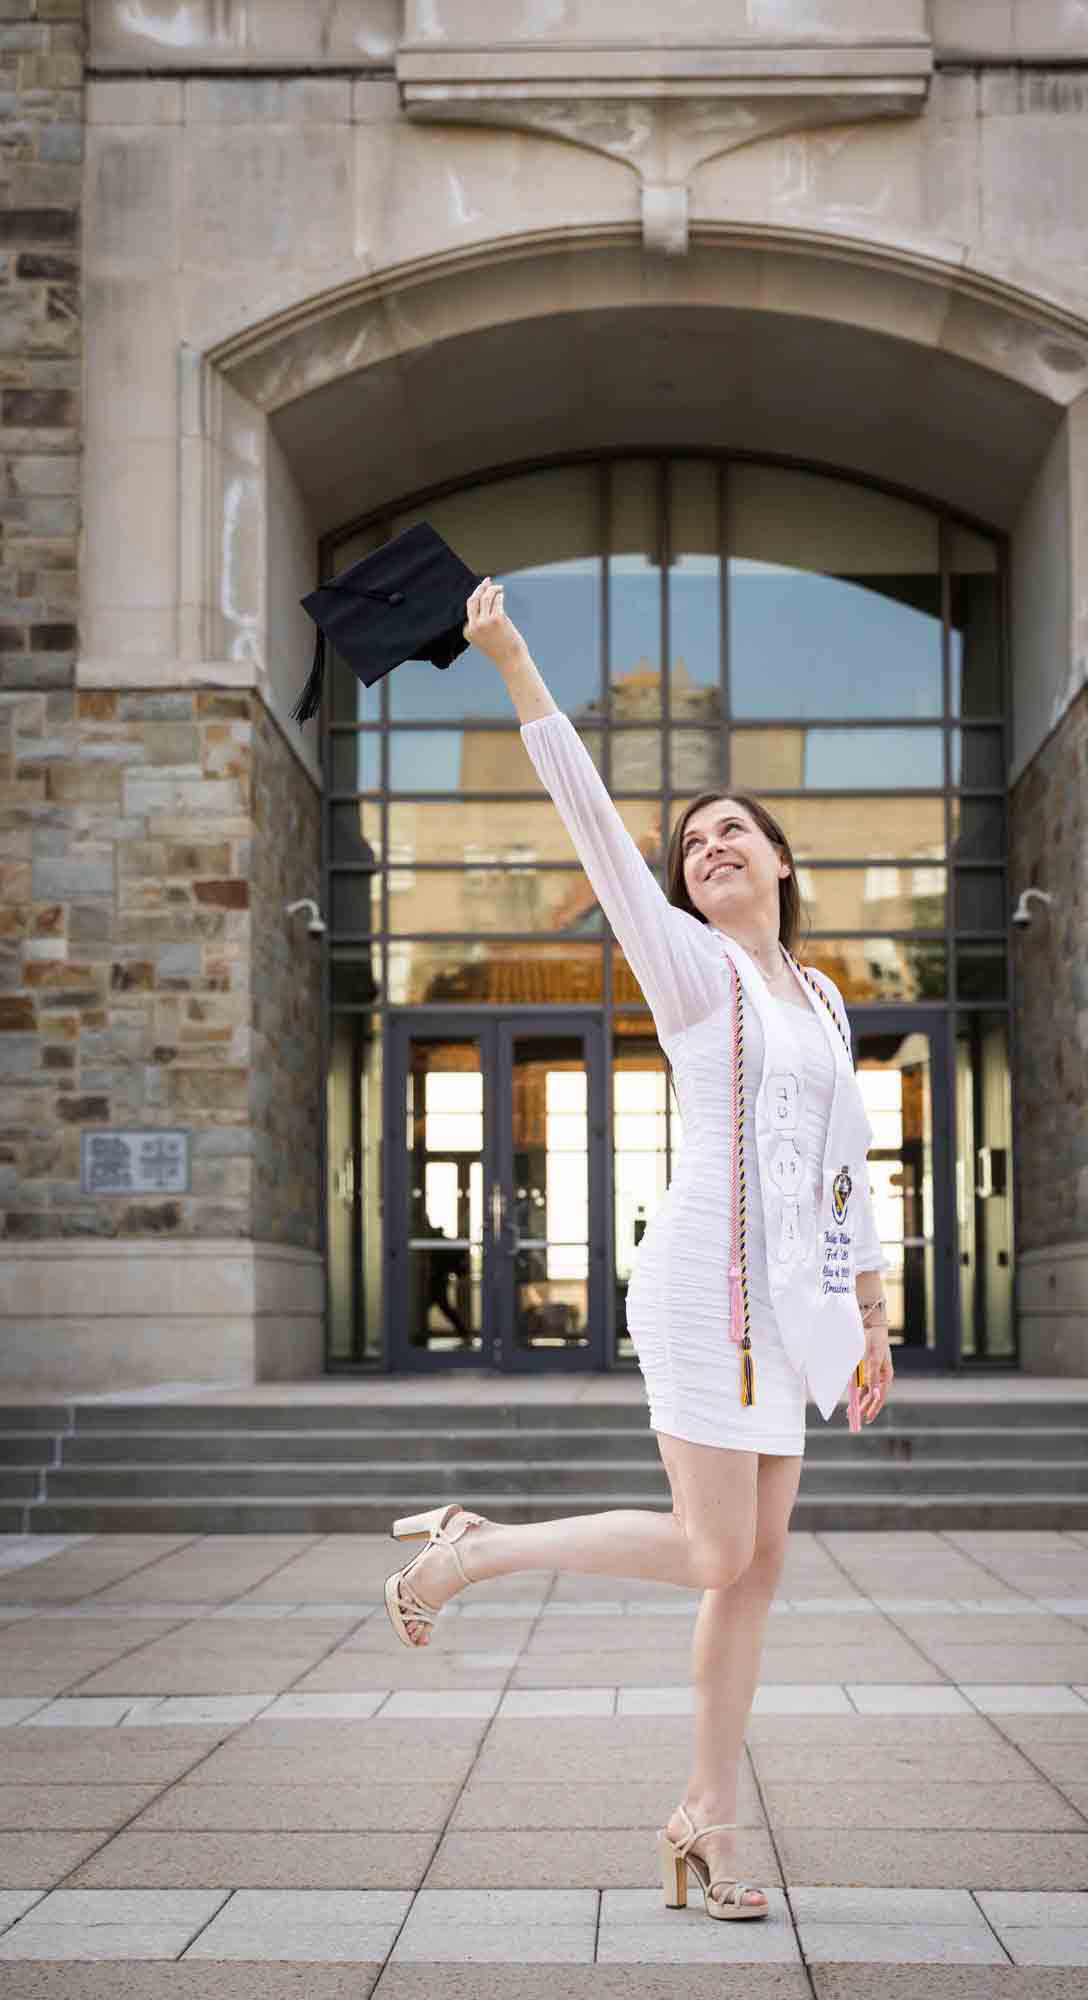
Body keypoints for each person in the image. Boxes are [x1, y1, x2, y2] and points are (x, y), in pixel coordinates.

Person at [384, 577, 894, 1921]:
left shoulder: (826, 997)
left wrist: (869, 1313)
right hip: (702, 1289)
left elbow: (846, 1162)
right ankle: (473, 1544)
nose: (711, 844)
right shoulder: (688, 966)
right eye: (694, 841)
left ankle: (707, 1823)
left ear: (783, 863)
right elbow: (593, 827)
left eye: (737, 831)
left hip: (789, 1307)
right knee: (715, 1552)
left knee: (756, 1570)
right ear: (681, 884)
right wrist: (510, 660)